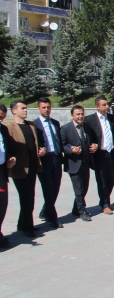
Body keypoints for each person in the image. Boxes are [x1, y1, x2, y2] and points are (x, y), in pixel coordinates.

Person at [5, 101, 45, 237]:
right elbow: (7, 147)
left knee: (30, 196)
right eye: (22, 108)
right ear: (14, 111)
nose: (25, 110)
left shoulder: (31, 125)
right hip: (19, 169)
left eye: (26, 108)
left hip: (32, 167)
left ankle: (22, 224)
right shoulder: (9, 127)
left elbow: (35, 143)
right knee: (26, 197)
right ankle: (28, 227)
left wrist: (40, 151)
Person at [85, 95, 114, 215]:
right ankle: (106, 204)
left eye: (107, 104)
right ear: (97, 107)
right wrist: (92, 145)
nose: (107, 107)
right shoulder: (89, 120)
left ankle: (104, 200)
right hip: (99, 155)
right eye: (104, 105)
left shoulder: (112, 118)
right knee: (101, 180)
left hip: (111, 153)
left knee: (111, 179)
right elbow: (85, 136)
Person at [61, 106, 98, 222]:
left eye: (82, 114)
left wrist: (94, 145)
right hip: (73, 163)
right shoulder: (65, 128)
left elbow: (92, 140)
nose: (80, 116)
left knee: (84, 188)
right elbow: (62, 145)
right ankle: (82, 211)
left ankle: (76, 208)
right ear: (72, 115)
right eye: (78, 114)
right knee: (78, 189)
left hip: (85, 163)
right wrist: (70, 149)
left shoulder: (86, 127)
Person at [33, 97, 65, 228]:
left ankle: (45, 211)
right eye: (44, 107)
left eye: (48, 107)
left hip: (56, 158)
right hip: (44, 161)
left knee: (56, 188)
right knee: (48, 189)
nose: (47, 110)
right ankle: (52, 218)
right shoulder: (34, 125)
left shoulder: (55, 123)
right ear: (39, 108)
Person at [0, 104, 17, 248]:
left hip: (1, 171)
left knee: (2, 203)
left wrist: (9, 159)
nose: (1, 120)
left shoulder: (3, 129)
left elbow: (6, 148)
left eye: (3, 118)